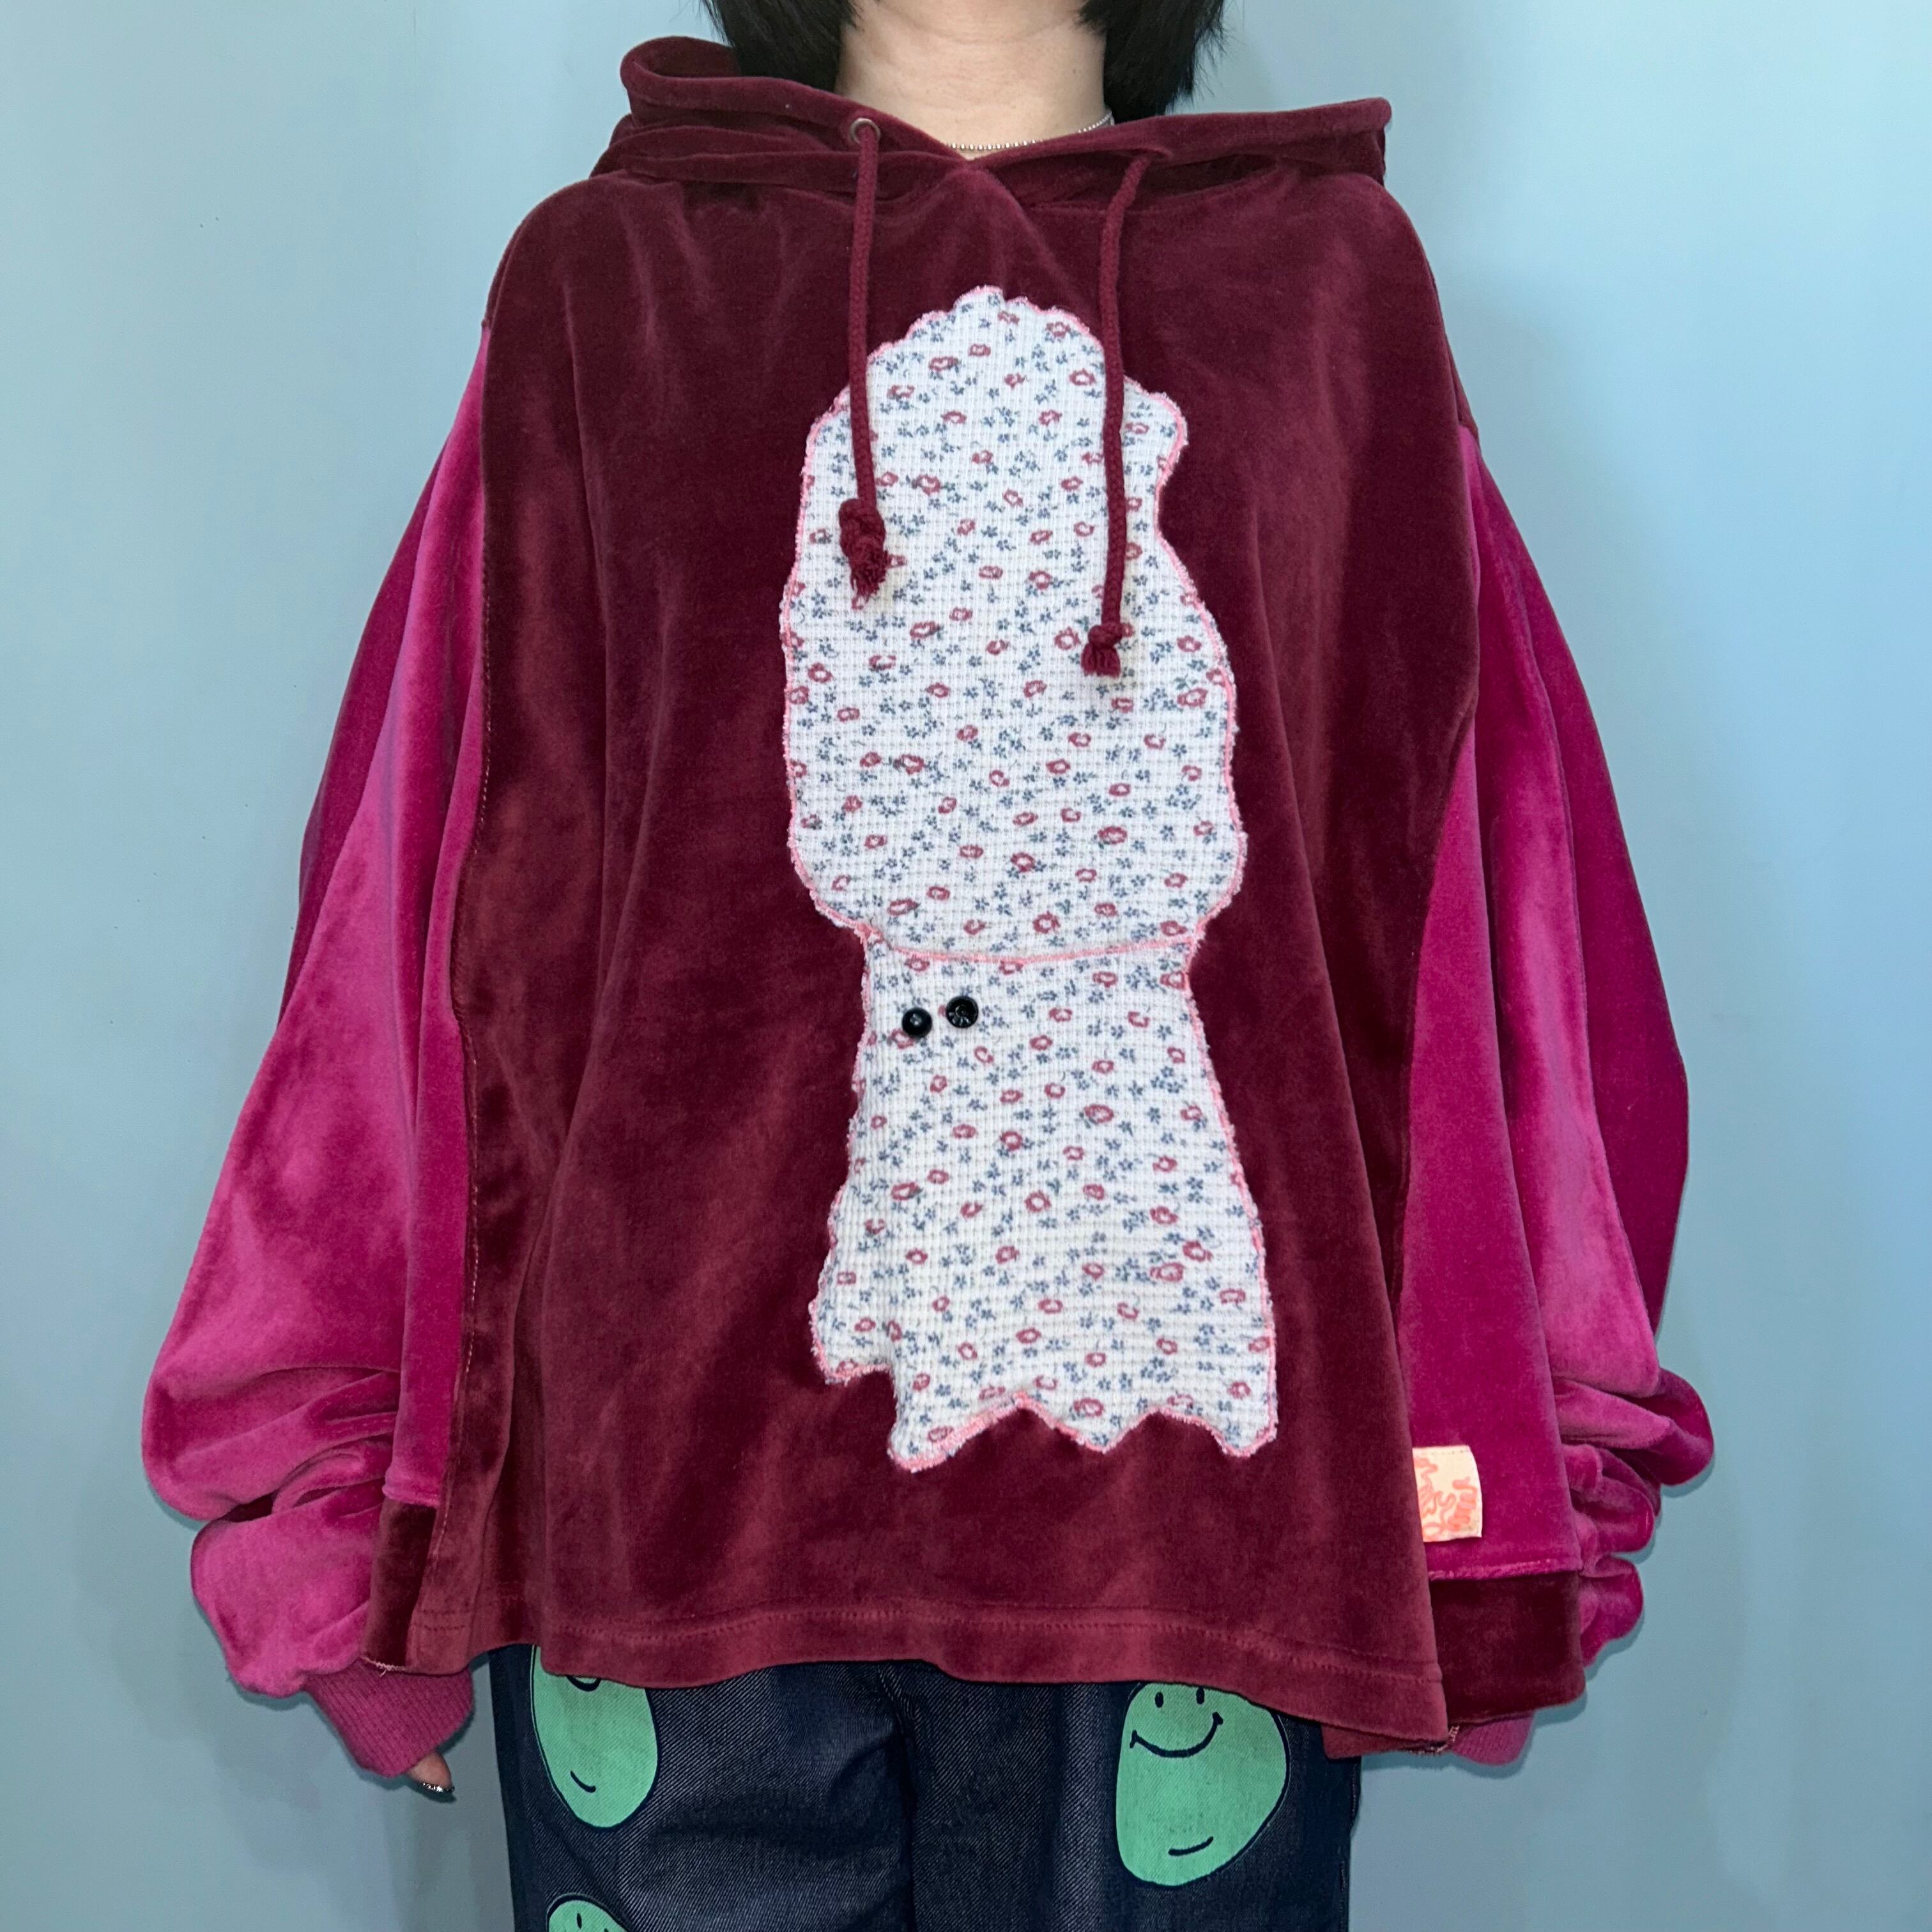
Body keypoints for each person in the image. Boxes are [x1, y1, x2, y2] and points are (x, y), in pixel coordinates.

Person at [142, 3, 1713, 1926]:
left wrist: (1529, 1487)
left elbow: (1495, 903)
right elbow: (423, 901)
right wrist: (331, 1507)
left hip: (1190, 1551)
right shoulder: (609, 288)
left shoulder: (1329, 297)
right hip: (663, 1540)